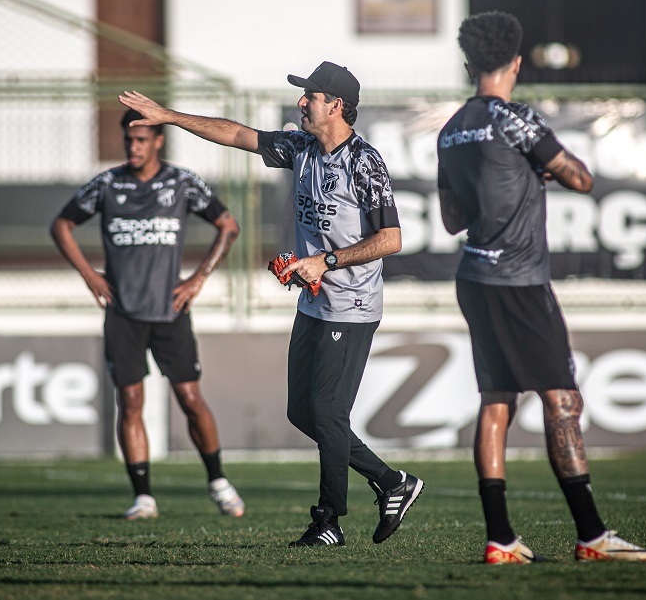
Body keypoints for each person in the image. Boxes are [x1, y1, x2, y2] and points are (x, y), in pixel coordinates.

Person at [118, 61, 424, 548]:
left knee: (327, 412)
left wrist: (325, 260)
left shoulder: (364, 161)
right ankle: (392, 483)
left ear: (336, 106)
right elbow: (237, 134)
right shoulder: (300, 148)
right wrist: (170, 117)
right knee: (303, 414)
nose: (302, 102)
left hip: (352, 306)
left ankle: (329, 521)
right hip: (314, 305)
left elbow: (390, 239)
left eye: (312, 96)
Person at [437, 10, 646, 564]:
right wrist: (536, 172)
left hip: (474, 277)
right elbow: (580, 178)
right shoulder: (517, 120)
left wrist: (505, 184)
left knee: (496, 402)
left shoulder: (450, 130)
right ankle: (591, 535)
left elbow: (451, 219)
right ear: (515, 63)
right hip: (519, 280)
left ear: (469, 64)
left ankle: (501, 539)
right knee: (561, 399)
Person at [50, 109, 245, 520]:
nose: (133, 146)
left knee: (190, 397)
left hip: (169, 310)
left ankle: (218, 481)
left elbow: (228, 225)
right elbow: (61, 225)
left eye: (142, 139)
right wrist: (90, 276)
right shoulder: (108, 184)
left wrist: (197, 279)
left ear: (159, 141)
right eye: (129, 140)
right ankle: (143, 497)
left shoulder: (181, 183)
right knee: (130, 399)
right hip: (123, 312)